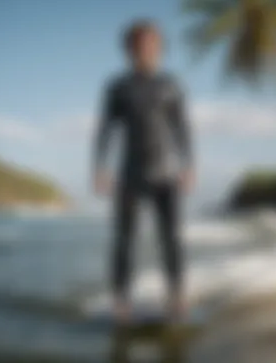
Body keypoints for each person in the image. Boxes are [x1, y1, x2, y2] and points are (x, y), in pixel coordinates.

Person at [92, 19, 195, 323]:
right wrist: (100, 167)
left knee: (171, 238)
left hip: (166, 172)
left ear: (160, 48)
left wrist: (188, 165)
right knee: (123, 240)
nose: (146, 49)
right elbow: (106, 130)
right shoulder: (118, 87)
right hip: (130, 174)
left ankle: (176, 294)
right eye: (139, 44)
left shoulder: (171, 85)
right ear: (129, 49)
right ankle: (121, 301)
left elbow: (182, 128)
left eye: (152, 44)